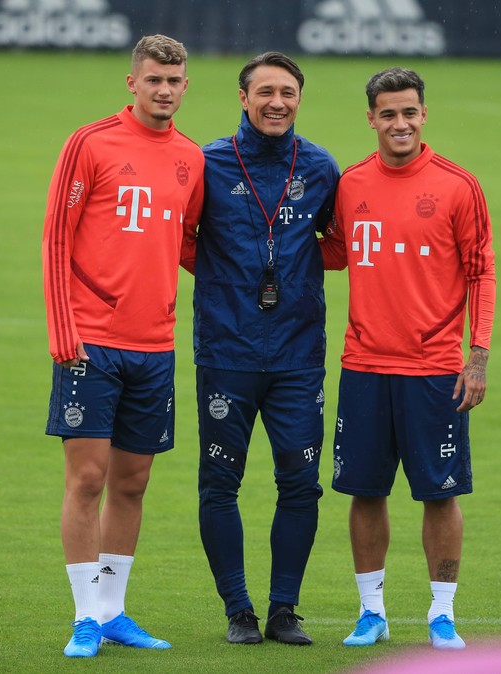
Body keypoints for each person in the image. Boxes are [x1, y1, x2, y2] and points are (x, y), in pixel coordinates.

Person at [322, 67, 496, 650]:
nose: (400, 123)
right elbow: (333, 254)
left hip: (435, 370)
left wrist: (478, 355)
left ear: (424, 115)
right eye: (388, 113)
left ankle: (441, 613)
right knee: (365, 491)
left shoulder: (458, 185)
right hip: (365, 366)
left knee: (440, 493)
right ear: (370, 118)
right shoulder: (349, 185)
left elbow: (482, 272)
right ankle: (371, 612)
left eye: (410, 112)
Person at [42, 34, 204, 657]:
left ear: (186, 86)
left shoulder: (192, 158)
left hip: (154, 346)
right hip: (90, 342)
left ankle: (112, 611)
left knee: (132, 484)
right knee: (87, 478)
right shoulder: (91, 143)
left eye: (175, 80)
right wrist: (64, 330)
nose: (164, 89)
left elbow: (189, 244)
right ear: (131, 83)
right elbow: (58, 236)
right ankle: (84, 615)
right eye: (153, 79)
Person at [180, 52, 339, 645]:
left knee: (300, 483)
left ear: (300, 100)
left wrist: (288, 270)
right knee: (220, 482)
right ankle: (238, 611)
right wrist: (227, 278)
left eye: (289, 93)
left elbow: (340, 243)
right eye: (266, 91)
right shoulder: (207, 163)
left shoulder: (321, 167)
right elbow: (181, 237)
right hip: (227, 351)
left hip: (299, 355)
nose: (278, 102)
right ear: (243, 98)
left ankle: (283, 610)